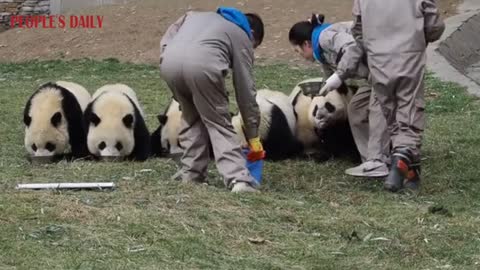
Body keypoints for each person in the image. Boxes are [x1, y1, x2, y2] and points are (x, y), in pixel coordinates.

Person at [320, 0, 445, 191]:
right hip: (409, 56)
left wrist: (341, 72)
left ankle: (411, 175)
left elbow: (358, 34)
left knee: (391, 115)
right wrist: (419, 39)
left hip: (378, 62)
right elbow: (434, 26)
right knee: (409, 112)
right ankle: (401, 158)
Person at [159, 7, 266, 193]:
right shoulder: (241, 34)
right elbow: (245, 89)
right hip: (202, 66)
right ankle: (238, 179)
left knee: (191, 118)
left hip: (169, 63)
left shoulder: (193, 16)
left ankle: (192, 175)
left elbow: (167, 38)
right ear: (252, 34)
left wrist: (166, 59)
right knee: (218, 123)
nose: (251, 50)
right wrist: (253, 133)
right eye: (253, 46)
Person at [288, 14, 391, 178]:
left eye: (297, 50)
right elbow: (327, 79)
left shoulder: (325, 37)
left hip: (387, 68)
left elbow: (352, 47)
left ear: (306, 44)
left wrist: (339, 76)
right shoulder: (321, 52)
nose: (298, 54)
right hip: (374, 75)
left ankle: (379, 160)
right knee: (356, 109)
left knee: (376, 110)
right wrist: (324, 89)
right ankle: (369, 159)